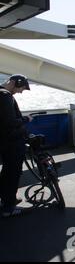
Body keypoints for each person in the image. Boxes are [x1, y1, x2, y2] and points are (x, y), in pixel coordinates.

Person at [0, 74, 33, 217]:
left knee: (7, 172)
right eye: (21, 88)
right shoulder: (5, 96)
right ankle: (8, 208)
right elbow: (10, 122)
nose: (20, 92)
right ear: (13, 82)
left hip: (4, 142)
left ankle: (8, 199)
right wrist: (26, 119)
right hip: (11, 143)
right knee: (12, 173)